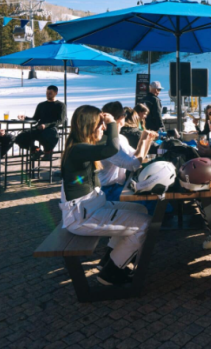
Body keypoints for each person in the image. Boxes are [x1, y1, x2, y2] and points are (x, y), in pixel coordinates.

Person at [60, 105, 152, 286]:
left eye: (103, 124)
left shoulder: (82, 147)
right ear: (88, 126)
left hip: (91, 207)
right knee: (145, 223)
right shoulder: (78, 149)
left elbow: (109, 147)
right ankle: (112, 272)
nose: (102, 128)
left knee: (140, 209)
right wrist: (111, 124)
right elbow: (111, 149)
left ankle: (109, 260)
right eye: (99, 124)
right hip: (82, 217)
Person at [100, 101, 157, 201]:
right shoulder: (108, 142)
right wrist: (143, 140)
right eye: (124, 114)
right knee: (154, 202)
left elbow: (138, 158)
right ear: (120, 118)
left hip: (118, 186)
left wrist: (148, 140)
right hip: (108, 191)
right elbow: (133, 165)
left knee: (155, 199)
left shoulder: (120, 138)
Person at [15, 85, 66, 161]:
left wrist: (46, 125)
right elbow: (35, 118)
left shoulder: (60, 105)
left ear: (56, 93)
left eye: (50, 93)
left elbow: (61, 120)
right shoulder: (41, 105)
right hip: (39, 128)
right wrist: (25, 118)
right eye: (47, 93)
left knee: (47, 135)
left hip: (51, 129)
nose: (48, 95)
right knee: (20, 137)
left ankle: (48, 152)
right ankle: (36, 150)